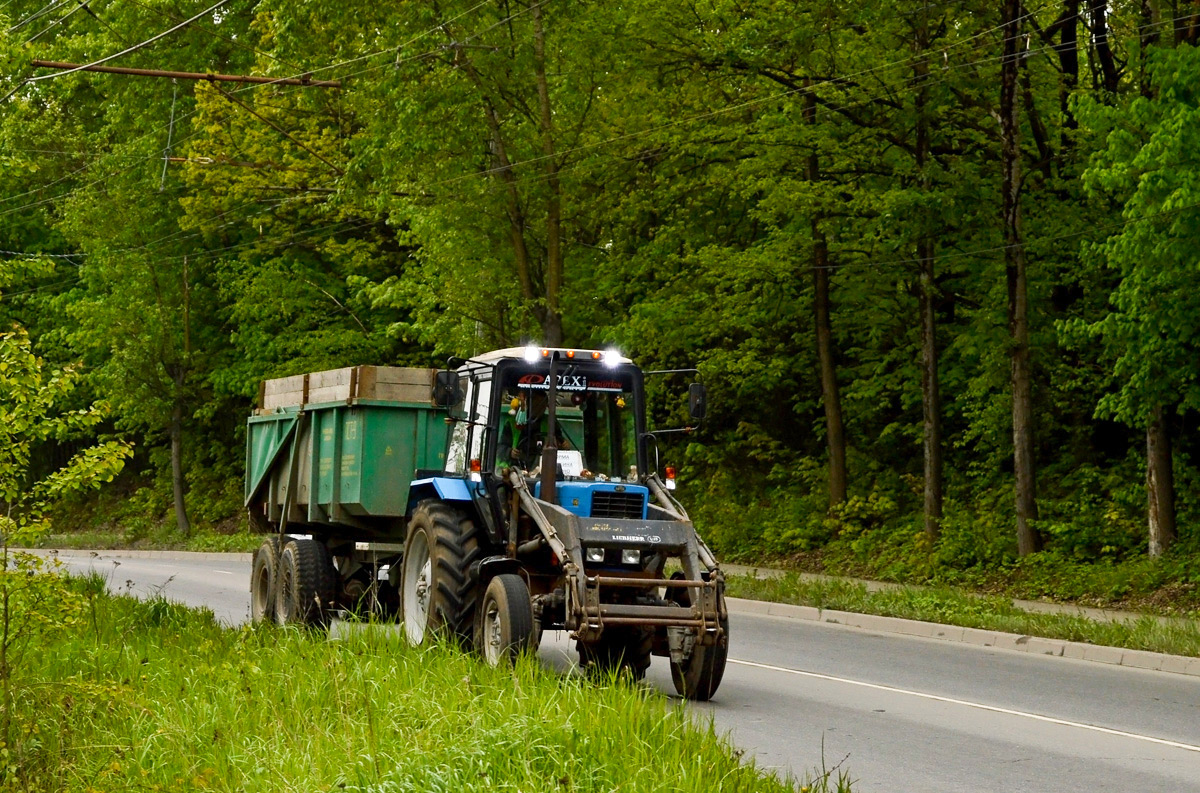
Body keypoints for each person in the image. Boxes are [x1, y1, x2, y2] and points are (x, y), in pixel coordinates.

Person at [499, 390, 564, 471]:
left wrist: (563, 444)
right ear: (529, 404)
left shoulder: (551, 423)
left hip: (544, 470)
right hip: (516, 469)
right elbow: (500, 448)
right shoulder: (512, 422)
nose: (539, 408)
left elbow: (561, 443)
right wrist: (510, 452)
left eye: (542, 405)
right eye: (536, 404)